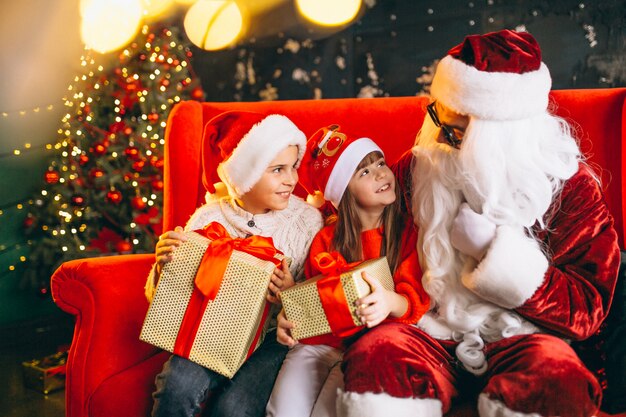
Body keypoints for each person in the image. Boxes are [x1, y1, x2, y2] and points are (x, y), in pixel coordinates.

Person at [338, 30, 620, 417]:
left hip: (524, 337)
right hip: (427, 327)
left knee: (557, 381)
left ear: (501, 137)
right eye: (437, 114)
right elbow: (357, 237)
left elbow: (585, 308)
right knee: (377, 358)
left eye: (455, 132)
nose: (438, 136)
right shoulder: (418, 168)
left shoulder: (568, 185)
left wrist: (495, 253)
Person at [144, 110, 324, 417]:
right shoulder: (209, 217)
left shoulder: (306, 222)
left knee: (235, 408)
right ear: (247, 175)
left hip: (270, 340)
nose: (292, 179)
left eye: (293, 166)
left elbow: (317, 304)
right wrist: (163, 266)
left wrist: (290, 293)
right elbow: (166, 297)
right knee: (176, 385)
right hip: (209, 331)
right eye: (277, 169)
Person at [266, 125, 430, 417]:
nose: (381, 173)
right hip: (319, 344)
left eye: (380, 163)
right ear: (344, 191)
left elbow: (414, 300)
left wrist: (389, 301)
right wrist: (287, 314)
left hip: (366, 348)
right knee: (283, 411)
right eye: (364, 172)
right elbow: (311, 299)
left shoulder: (407, 232)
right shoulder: (326, 239)